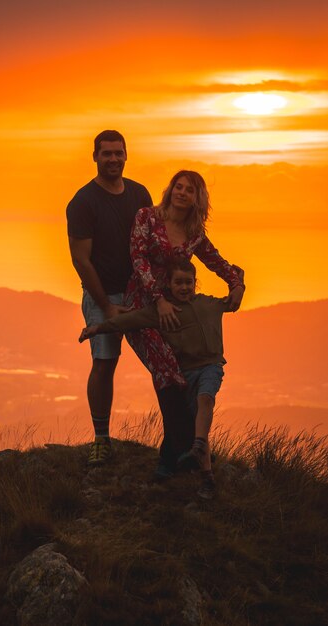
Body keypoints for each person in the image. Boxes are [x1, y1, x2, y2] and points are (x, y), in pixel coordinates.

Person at [123, 170, 245, 477]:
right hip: (143, 307)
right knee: (168, 373)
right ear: (170, 189)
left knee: (183, 378)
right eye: (178, 187)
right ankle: (171, 458)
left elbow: (215, 260)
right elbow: (138, 260)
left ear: (197, 198)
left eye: (189, 190)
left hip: (175, 313)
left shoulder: (194, 233)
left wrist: (237, 285)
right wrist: (158, 299)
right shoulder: (147, 218)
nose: (181, 193)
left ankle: (188, 453)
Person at [80, 256, 234, 498]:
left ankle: (199, 446)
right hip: (186, 372)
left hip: (211, 368)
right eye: (179, 283)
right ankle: (206, 476)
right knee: (197, 419)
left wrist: (239, 283)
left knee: (206, 401)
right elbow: (131, 320)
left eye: (189, 282)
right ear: (168, 285)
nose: (184, 287)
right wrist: (97, 328)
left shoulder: (207, 304)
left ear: (196, 283)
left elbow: (232, 303)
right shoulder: (161, 312)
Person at [66, 130, 152, 466]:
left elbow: (151, 242)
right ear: (95, 157)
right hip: (102, 295)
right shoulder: (83, 202)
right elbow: (81, 260)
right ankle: (101, 439)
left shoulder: (139, 194)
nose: (113, 159)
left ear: (127, 155)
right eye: (106, 154)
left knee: (162, 364)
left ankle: (179, 441)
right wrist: (105, 306)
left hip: (138, 294)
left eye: (118, 153)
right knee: (104, 363)